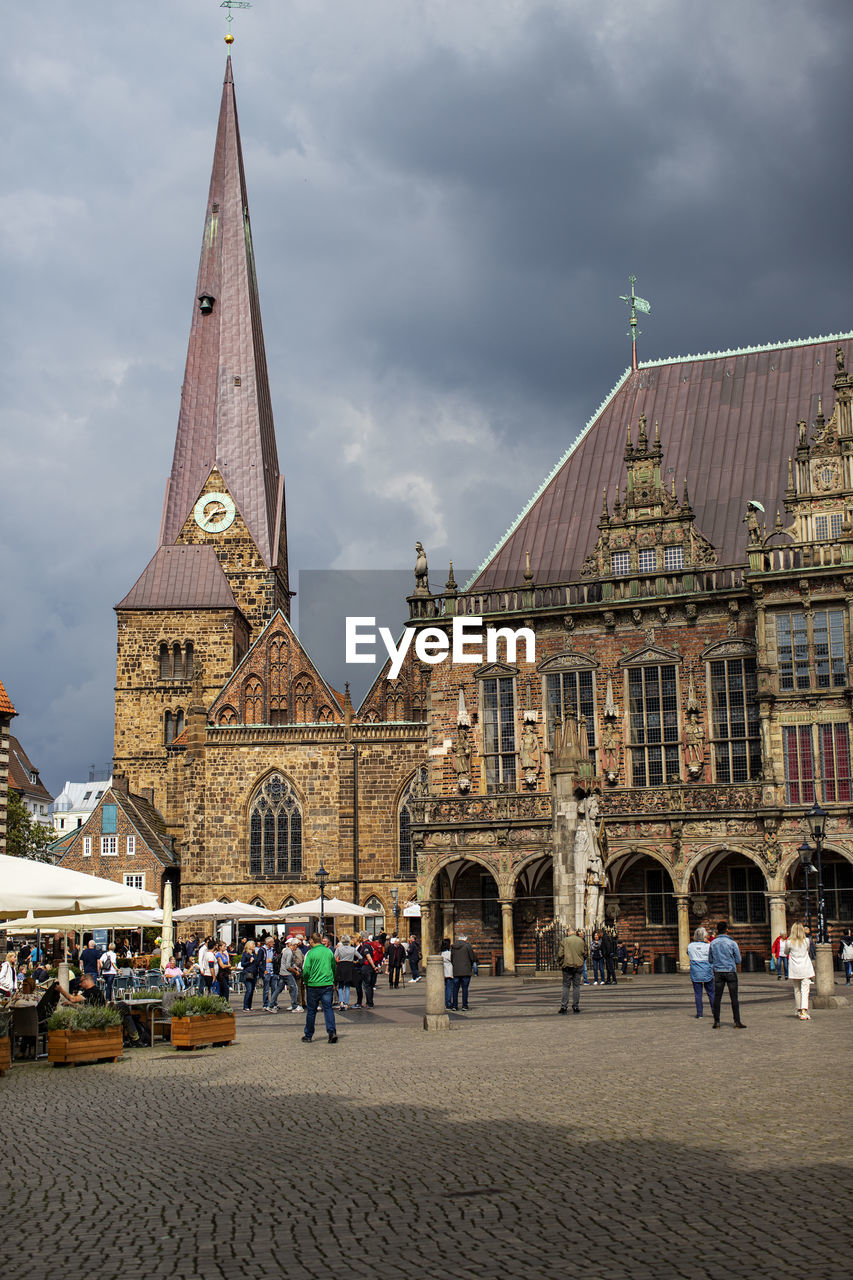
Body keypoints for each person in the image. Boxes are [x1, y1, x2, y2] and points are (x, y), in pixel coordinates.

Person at [301, 933, 338, 1043]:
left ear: (312, 941)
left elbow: (306, 969)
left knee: (311, 1011)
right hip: (326, 984)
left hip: (313, 985)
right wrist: (332, 978)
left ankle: (308, 1035)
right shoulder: (328, 951)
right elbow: (333, 966)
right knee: (328, 1009)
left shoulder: (310, 953)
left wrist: (306, 980)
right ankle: (331, 1032)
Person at [709, 921, 746, 1029]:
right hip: (730, 972)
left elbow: (710, 959)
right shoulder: (732, 943)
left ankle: (716, 1021)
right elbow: (738, 960)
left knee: (717, 997)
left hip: (718, 973)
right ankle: (737, 1021)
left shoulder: (713, 943)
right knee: (734, 998)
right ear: (727, 930)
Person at [787, 921, 816, 1020]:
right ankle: (804, 1010)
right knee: (805, 989)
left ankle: (799, 1009)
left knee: (797, 990)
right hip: (805, 967)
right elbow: (807, 951)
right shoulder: (807, 941)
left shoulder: (789, 942)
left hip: (795, 968)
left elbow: (786, 952)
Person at [556, 928, 588, 1014]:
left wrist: (560, 962)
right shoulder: (581, 941)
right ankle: (576, 1006)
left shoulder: (564, 941)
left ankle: (564, 1006)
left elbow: (560, 954)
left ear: (568, 932)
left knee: (566, 986)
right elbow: (586, 953)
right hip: (578, 966)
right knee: (576, 986)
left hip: (567, 966)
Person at [687, 927, 715, 1018]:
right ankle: (715, 1011)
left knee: (698, 994)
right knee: (711, 992)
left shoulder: (690, 945)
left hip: (695, 972)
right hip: (707, 971)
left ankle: (699, 1014)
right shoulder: (708, 946)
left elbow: (688, 953)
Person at [450, 934, 475, 1011]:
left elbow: (452, 958)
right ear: (465, 939)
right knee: (465, 989)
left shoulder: (453, 947)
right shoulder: (467, 946)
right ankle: (464, 1005)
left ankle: (454, 1005)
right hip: (466, 970)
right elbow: (472, 957)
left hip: (456, 971)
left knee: (455, 989)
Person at [334, 935, 358, 1010]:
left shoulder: (339, 949)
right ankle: (346, 1003)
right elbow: (360, 957)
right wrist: (354, 961)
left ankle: (341, 1002)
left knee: (340, 986)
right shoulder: (352, 949)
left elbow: (334, 957)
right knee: (347, 986)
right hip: (349, 966)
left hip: (341, 966)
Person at [356, 935, 377, 1008]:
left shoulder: (365, 946)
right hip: (371, 968)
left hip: (367, 968)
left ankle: (369, 1003)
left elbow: (368, 956)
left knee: (367, 986)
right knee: (370, 986)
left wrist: (374, 966)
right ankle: (370, 1002)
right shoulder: (371, 944)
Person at [240, 940, 259, 1012]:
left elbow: (257, 962)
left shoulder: (254, 954)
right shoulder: (245, 954)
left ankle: (250, 1005)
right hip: (247, 973)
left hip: (254, 974)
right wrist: (249, 961)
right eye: (253, 945)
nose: (254, 946)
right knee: (249, 989)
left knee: (252, 990)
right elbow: (243, 964)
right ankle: (245, 1006)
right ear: (249, 946)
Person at [440, 938, 454, 1009]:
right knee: (449, 988)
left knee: (446, 988)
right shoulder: (449, 953)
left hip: (444, 972)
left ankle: (446, 1002)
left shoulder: (442, 953)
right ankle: (448, 1003)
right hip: (449, 972)